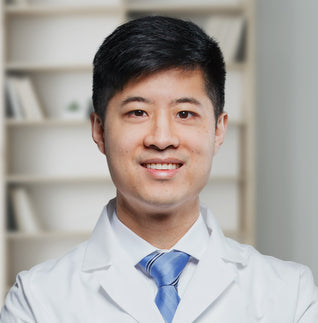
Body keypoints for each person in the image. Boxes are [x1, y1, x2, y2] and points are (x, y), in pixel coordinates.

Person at [1, 16, 317, 323]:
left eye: (185, 113)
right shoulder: (36, 300)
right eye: (138, 112)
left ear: (218, 130)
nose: (162, 139)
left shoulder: (291, 295)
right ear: (99, 130)